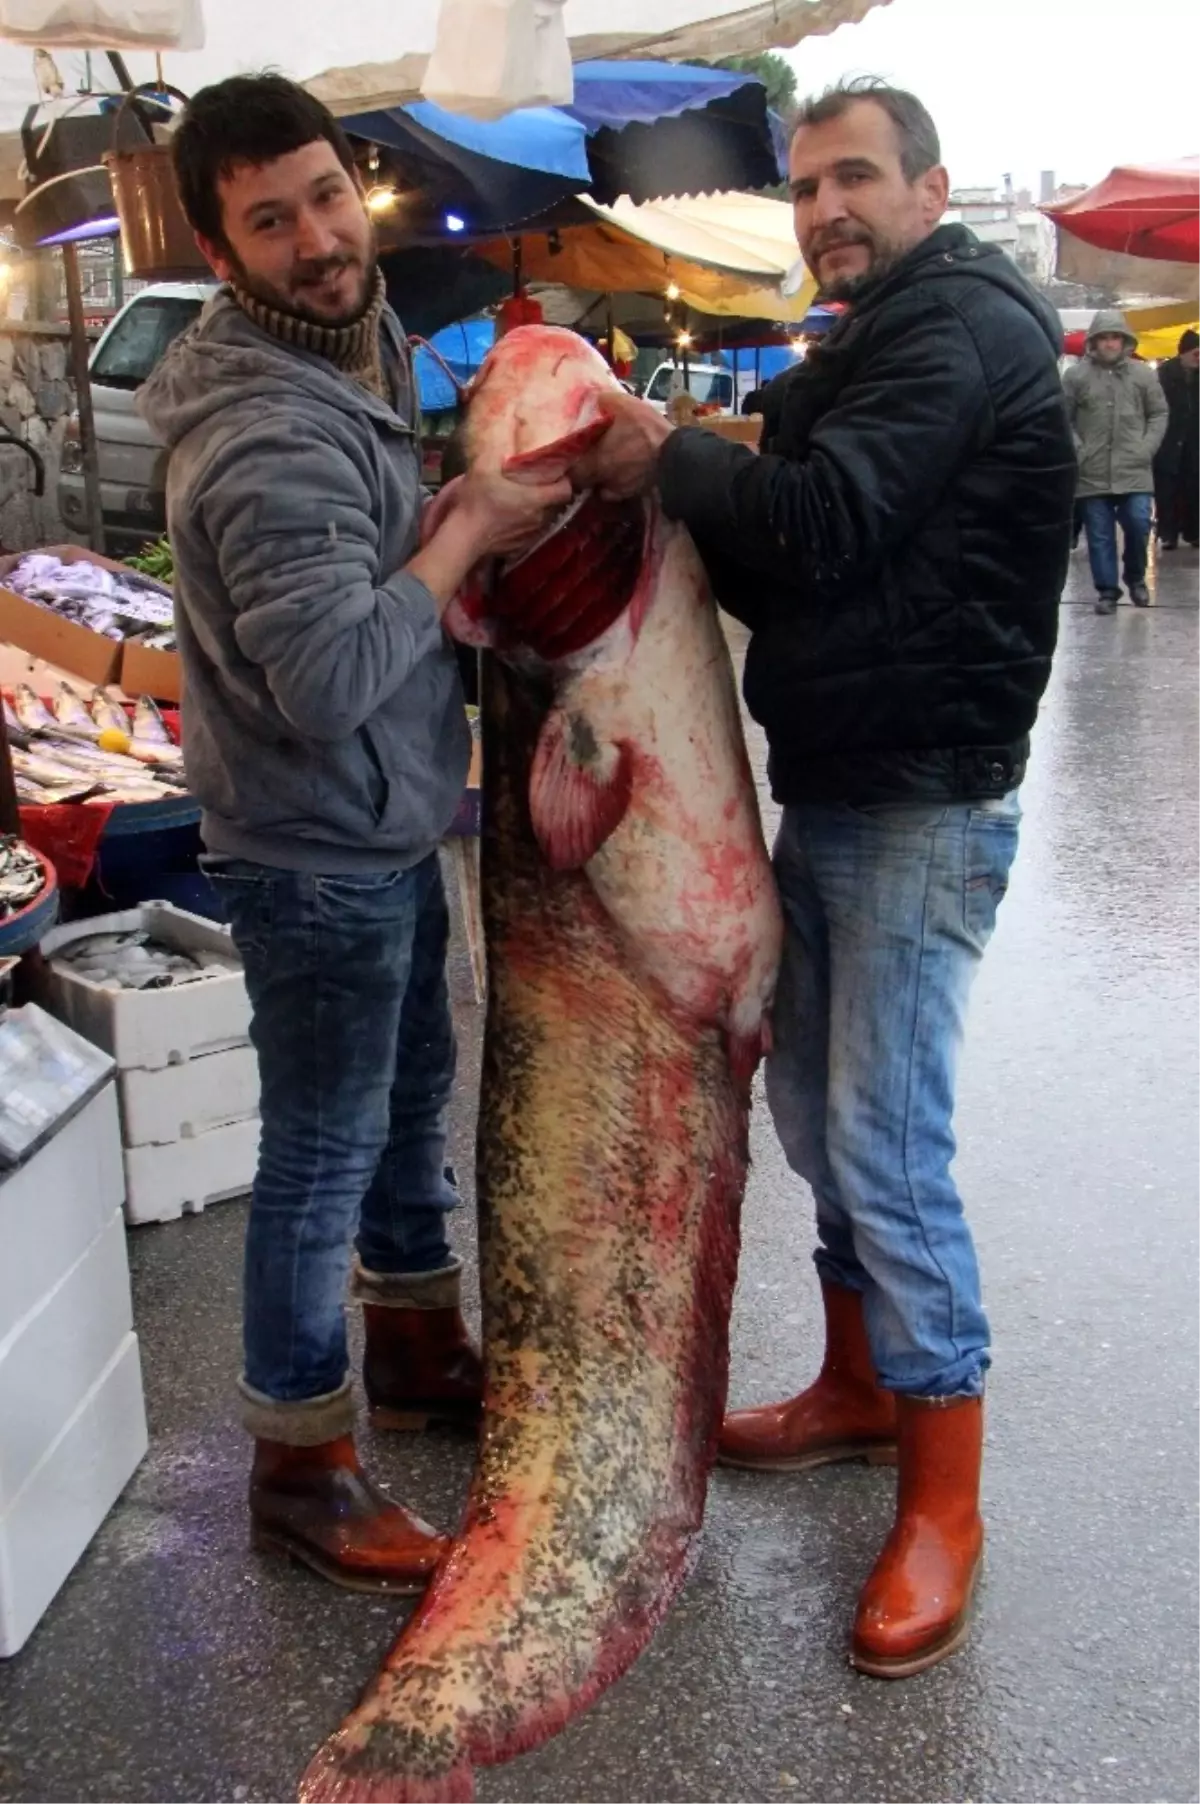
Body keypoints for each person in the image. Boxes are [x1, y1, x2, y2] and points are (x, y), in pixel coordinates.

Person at [565, 77, 1074, 1678]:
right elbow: (789, 486)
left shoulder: (958, 328)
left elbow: (832, 519)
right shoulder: (873, 333)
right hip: (845, 784)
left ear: (931, 189)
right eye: (806, 186)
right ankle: (859, 1386)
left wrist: (667, 456)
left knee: (886, 1141)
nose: (826, 209)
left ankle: (946, 1501)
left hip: (923, 803)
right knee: (809, 1114)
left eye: (855, 178)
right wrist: (710, 453)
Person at [138, 74, 569, 1594]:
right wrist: (459, 535)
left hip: (385, 816)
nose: (319, 239)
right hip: (317, 842)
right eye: (273, 221)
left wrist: (442, 499)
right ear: (220, 240)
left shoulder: (354, 341)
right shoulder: (261, 430)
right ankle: (300, 1466)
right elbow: (321, 680)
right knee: (320, 1148)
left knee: (407, 1098)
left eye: (326, 196)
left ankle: (413, 1340)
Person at [1063, 310, 1168, 614]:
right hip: (1091, 469)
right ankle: (1107, 591)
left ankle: (1135, 577)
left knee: (1138, 521)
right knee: (1099, 534)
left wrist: (1146, 447)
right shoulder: (1076, 377)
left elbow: (1159, 413)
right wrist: (1078, 449)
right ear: (1094, 342)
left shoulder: (1142, 375)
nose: (1110, 344)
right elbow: (1062, 418)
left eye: (1115, 337)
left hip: (1134, 466)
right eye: (1104, 338)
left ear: (1124, 341)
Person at [1153, 327, 1200, 550]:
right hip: (1168, 440)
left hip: (1194, 441)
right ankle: (1168, 533)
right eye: (1196, 354)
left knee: (1194, 487)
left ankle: (1194, 532)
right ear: (1184, 353)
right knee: (1167, 490)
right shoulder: (1165, 375)